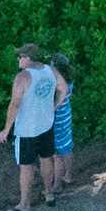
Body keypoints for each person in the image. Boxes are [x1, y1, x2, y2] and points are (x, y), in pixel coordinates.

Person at [0, 44, 67, 211]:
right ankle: (49, 193)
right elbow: (62, 89)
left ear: (27, 58)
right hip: (46, 125)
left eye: (20, 57)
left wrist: (6, 130)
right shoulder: (50, 70)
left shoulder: (23, 77)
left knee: (26, 167)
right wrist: (53, 107)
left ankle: (24, 204)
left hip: (27, 130)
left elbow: (15, 105)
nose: (18, 60)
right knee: (46, 159)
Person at [47, 50, 78, 192]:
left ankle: (57, 186)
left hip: (56, 122)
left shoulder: (55, 84)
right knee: (67, 148)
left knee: (56, 156)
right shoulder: (69, 79)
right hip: (65, 118)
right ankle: (69, 176)